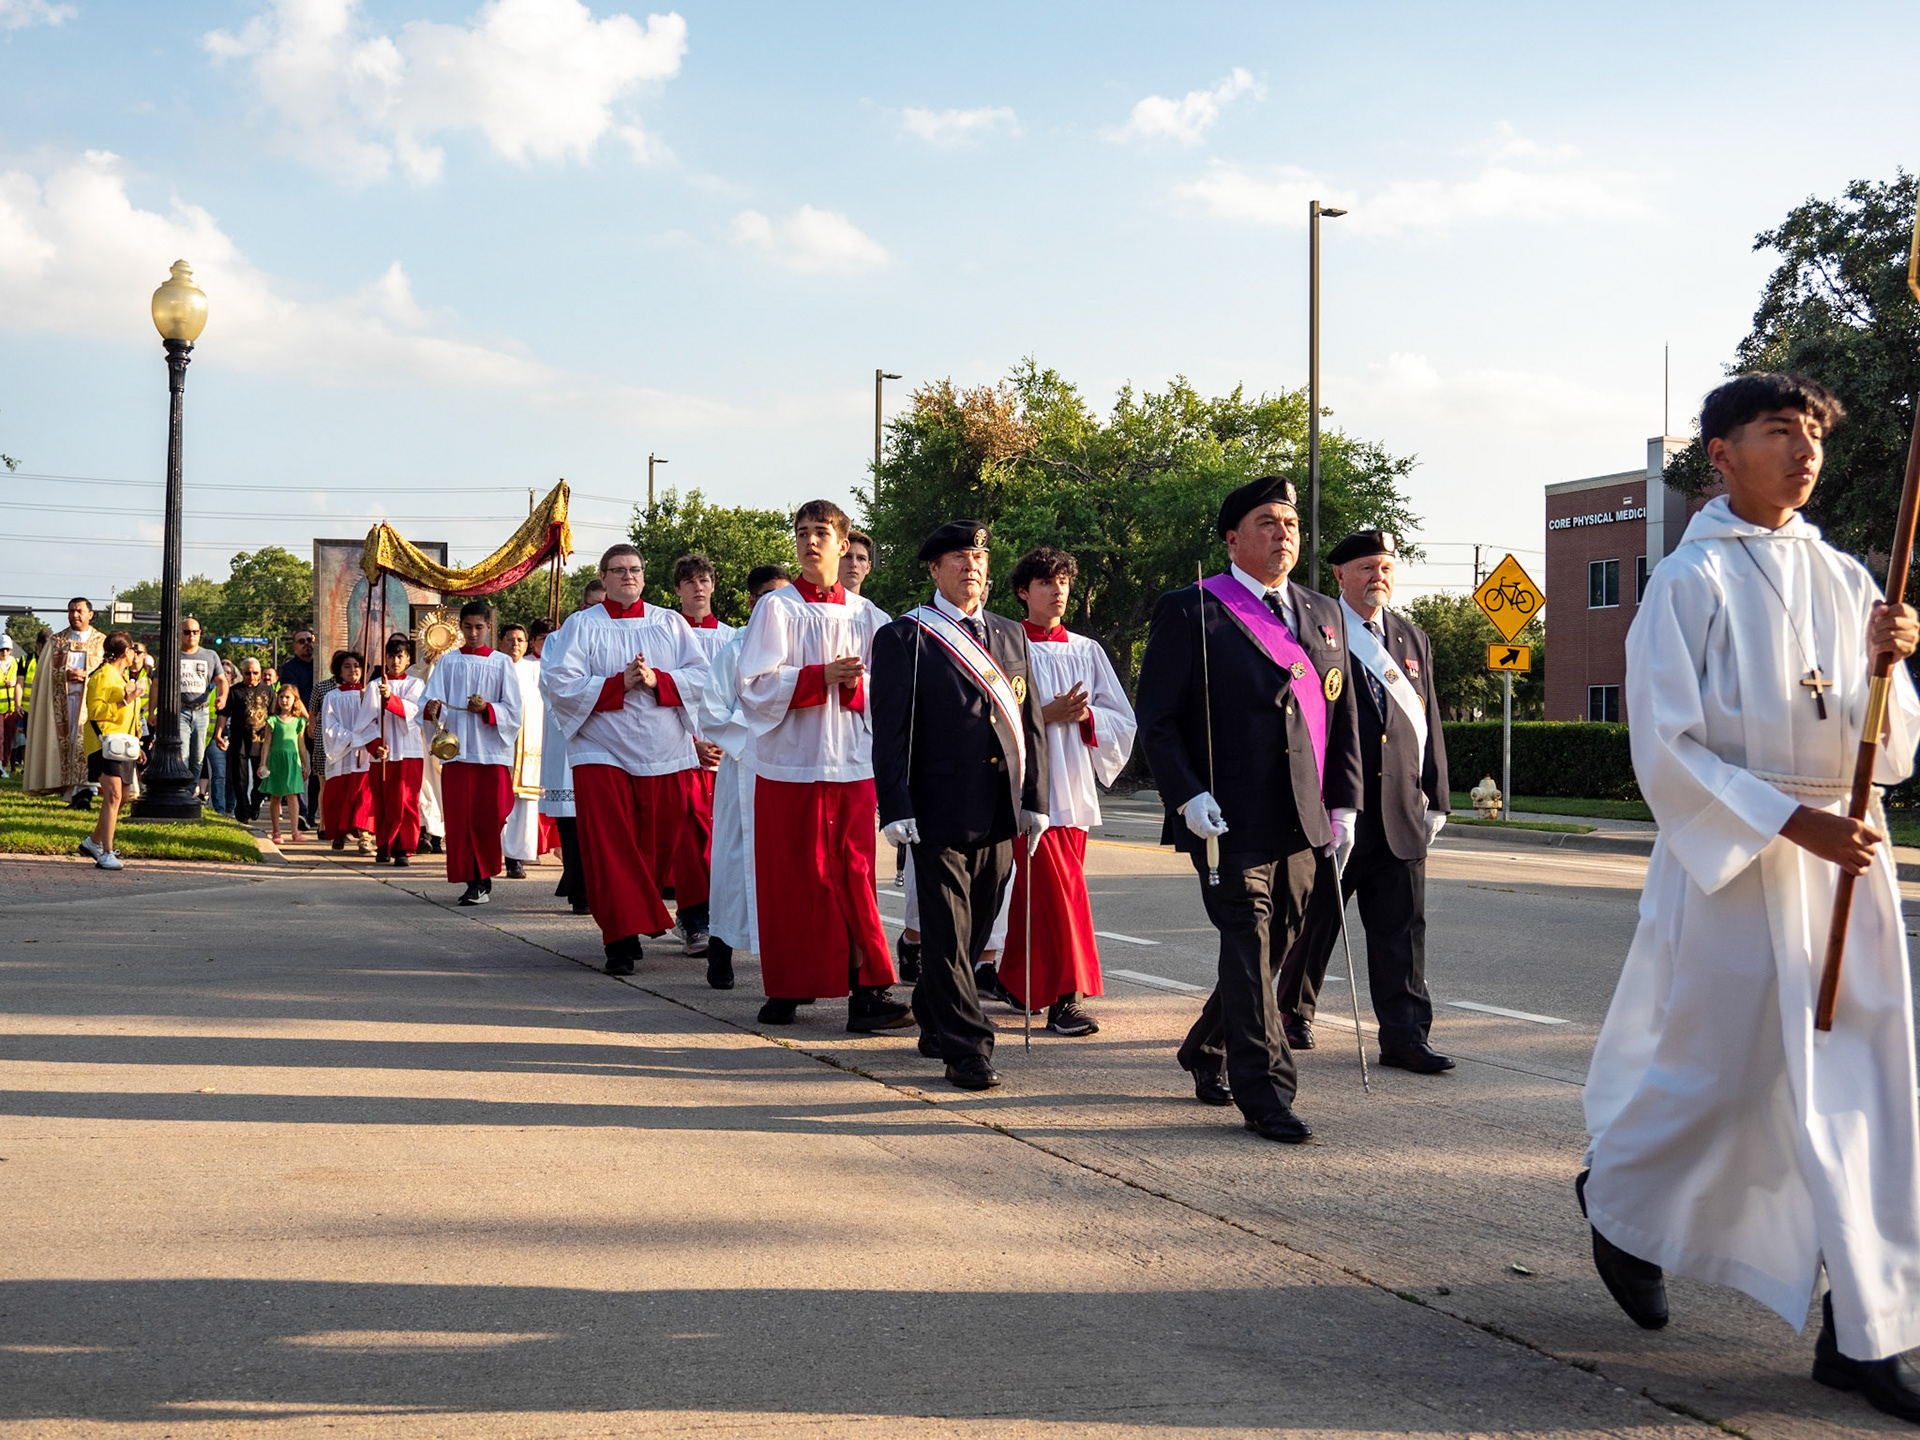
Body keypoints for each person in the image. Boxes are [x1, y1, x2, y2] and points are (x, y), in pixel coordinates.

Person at [1580, 374, 1920, 1420]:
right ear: (1722, 453)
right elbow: (1664, 747)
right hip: (1735, 866)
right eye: (1782, 430)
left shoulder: (1847, 575)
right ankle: (1620, 1202)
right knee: (1719, 1082)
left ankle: (1863, 1333)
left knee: (1867, 1099)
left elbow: (1887, 750)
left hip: (1845, 863)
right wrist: (1785, 821)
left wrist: (1889, 670)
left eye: (1814, 431)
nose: (1806, 448)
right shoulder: (1688, 582)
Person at [1136, 475, 1363, 1143]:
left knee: (1276, 945)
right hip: (1225, 817)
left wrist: (1345, 803)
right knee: (1247, 940)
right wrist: (1186, 793)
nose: (1282, 533)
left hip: (1302, 817)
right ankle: (1266, 1093)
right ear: (1233, 539)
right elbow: (1158, 719)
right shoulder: (1191, 609)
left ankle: (1205, 1046)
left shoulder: (1323, 612)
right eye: (1267, 522)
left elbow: (1342, 716)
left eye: (1290, 523)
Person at [871, 520, 1050, 1090]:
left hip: (998, 807)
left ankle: (933, 1011)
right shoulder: (905, 637)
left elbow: (1031, 723)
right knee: (947, 933)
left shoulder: (1009, 634)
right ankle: (968, 1050)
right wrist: (894, 804)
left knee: (976, 929)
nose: (973, 566)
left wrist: (1035, 798)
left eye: (980, 557)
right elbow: (890, 732)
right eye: (959, 558)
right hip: (936, 808)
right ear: (934, 569)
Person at [1276, 529, 1453, 1073]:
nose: (1380, 576)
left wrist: (1437, 796)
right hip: (1335, 806)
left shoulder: (1411, 638)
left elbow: (1429, 719)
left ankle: (1406, 1036)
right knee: (1315, 920)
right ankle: (1292, 1012)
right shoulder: (1315, 629)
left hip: (1399, 807)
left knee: (1403, 928)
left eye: (1387, 567)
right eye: (1369, 567)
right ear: (1340, 574)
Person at [738, 502, 909, 1031]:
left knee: (856, 878)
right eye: (802, 533)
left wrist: (854, 683)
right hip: (790, 766)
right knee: (793, 881)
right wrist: (818, 676)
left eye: (821, 533)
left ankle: (868, 992)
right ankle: (787, 989)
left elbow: (892, 695)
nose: (810, 542)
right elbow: (752, 686)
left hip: (851, 765)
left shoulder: (869, 616)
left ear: (842, 544)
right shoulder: (777, 609)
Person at [543, 545, 709, 973]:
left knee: (658, 842)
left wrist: (657, 679)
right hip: (601, 749)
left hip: (664, 748)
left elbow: (703, 675)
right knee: (611, 845)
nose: (628, 576)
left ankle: (633, 918)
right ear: (604, 577)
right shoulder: (582, 625)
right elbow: (560, 683)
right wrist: (619, 683)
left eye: (635, 569)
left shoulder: (670, 622)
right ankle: (618, 938)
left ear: (644, 575)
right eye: (618, 570)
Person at [998, 547, 1138, 1036]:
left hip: (1074, 788)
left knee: (1039, 895)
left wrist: (1087, 716)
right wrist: (1044, 715)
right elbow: (987, 718)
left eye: (1063, 582)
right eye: (1046, 582)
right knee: (1061, 895)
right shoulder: (1005, 646)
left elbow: (1122, 719)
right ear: (1023, 591)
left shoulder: (1087, 650)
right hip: (1028, 790)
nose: (1058, 590)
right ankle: (1066, 999)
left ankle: (1017, 983)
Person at [695, 563, 791, 990]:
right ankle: (721, 948)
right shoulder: (733, 650)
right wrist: (759, 731)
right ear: (753, 602)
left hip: (789, 771)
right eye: (769, 598)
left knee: (784, 868)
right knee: (735, 862)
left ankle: (786, 960)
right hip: (744, 770)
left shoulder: (796, 646)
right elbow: (713, 713)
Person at [420, 602, 523, 906]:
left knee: (488, 818)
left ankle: (484, 876)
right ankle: (473, 881)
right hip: (459, 753)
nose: (474, 633)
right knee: (461, 821)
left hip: (490, 754)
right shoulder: (448, 662)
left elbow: (514, 710)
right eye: (468, 627)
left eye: (479, 627)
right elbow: (430, 701)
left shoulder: (501, 663)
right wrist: (432, 708)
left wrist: (488, 709)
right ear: (460, 628)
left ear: (489, 627)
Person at [673, 554, 732, 953]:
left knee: (724, 841)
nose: (698, 587)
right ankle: (695, 919)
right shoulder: (665, 634)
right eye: (690, 581)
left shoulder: (732, 637)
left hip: (727, 753)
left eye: (704, 580)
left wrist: (729, 741)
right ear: (678, 588)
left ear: (713, 585)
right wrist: (689, 743)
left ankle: (724, 920)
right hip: (683, 751)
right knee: (690, 843)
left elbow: (745, 694)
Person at [24, 596, 104, 804]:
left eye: (79, 611)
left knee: (85, 742)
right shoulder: (57, 642)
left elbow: (107, 673)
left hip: (89, 702)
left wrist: (88, 676)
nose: (74, 615)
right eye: (71, 611)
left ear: (90, 614)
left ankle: (86, 789)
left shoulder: (101, 642)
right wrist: (65, 675)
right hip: (62, 701)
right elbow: (45, 675)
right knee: (66, 743)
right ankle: (68, 789)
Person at [76, 631, 142, 871]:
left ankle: (93, 843)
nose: (135, 655)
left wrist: (138, 741)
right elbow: (94, 711)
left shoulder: (122, 677)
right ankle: (106, 852)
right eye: (134, 650)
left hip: (123, 745)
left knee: (122, 797)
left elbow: (132, 715)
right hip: (104, 744)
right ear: (126, 652)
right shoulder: (103, 675)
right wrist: (125, 700)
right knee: (113, 796)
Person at [362, 635, 425, 866]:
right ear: (385, 659)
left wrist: (390, 698)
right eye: (391, 656)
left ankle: (403, 848)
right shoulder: (373, 686)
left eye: (400, 656)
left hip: (408, 751)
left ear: (408, 659)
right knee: (383, 801)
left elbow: (414, 711)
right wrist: (374, 746)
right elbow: (364, 723)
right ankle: (383, 845)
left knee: (407, 801)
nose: (395, 661)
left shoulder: (416, 684)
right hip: (384, 754)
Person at [499, 623, 548, 880]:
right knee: (497, 801)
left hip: (528, 745)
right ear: (500, 642)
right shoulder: (493, 666)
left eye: (520, 640)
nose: (515, 644)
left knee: (524, 804)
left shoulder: (536, 669)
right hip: (500, 744)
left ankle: (515, 857)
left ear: (527, 644)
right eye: (510, 639)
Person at [319, 651, 374, 855]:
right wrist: (352, 738)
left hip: (365, 753)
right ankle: (339, 832)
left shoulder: (369, 694)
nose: (353, 670)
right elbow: (329, 726)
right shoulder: (332, 697)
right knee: (340, 795)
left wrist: (364, 738)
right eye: (347, 666)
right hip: (342, 752)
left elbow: (375, 721)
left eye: (357, 666)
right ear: (339, 671)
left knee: (364, 796)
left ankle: (365, 835)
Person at [176, 617, 228, 799]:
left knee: (198, 757)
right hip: (180, 711)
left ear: (200, 634)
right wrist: (152, 712)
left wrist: (223, 697)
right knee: (183, 753)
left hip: (202, 711)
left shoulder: (210, 655)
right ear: (180, 634)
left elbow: (221, 680)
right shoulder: (174, 655)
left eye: (195, 632)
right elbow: (158, 683)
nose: (191, 635)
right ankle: (181, 793)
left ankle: (190, 793)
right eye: (187, 632)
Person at [219, 658, 271, 823]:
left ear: (260, 673)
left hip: (262, 742)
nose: (252, 676)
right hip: (239, 740)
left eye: (255, 673)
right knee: (240, 779)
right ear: (242, 673)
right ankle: (242, 810)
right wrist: (218, 734)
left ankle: (255, 803)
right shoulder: (234, 691)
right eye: (248, 673)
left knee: (262, 778)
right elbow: (223, 714)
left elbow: (274, 716)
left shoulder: (268, 691)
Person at [258, 682, 309, 844]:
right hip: (276, 761)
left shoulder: (299, 722)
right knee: (276, 796)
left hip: (292, 761)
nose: (284, 700)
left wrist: (305, 764)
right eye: (281, 697)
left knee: (293, 795)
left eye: (288, 697)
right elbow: (267, 743)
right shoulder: (272, 720)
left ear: (295, 700)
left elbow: (301, 745)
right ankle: (276, 831)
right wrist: (263, 763)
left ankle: (295, 831)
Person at [280, 629, 317, 831]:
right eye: (301, 641)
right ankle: (302, 811)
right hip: (300, 724)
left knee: (317, 770)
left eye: (310, 640)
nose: (307, 644)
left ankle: (312, 813)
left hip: (322, 723)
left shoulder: (321, 664)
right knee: (300, 767)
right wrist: (309, 720)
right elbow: (294, 696)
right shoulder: (290, 668)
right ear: (294, 646)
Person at [206, 659, 235, 812]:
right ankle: (219, 809)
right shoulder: (209, 693)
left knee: (233, 775)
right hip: (214, 737)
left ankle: (231, 807)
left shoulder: (236, 693)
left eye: (228, 673)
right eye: (222, 672)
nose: (225, 675)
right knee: (219, 773)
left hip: (234, 736)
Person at [0, 634, 21, 779]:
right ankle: (0, 765)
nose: (4, 652)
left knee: (9, 739)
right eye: (2, 649)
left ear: (11, 650)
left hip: (12, 708)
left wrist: (14, 683)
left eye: (7, 649)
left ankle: (4, 764)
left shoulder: (17, 663)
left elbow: (21, 681)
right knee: (0, 738)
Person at [841, 529, 875, 595]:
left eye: (861, 559)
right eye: (847, 557)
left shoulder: (868, 603)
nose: (854, 564)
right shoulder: (820, 601)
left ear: (868, 567)